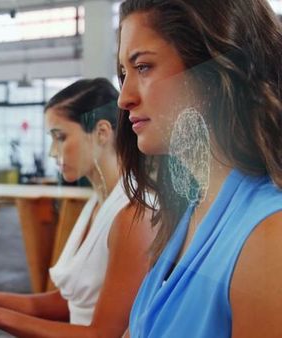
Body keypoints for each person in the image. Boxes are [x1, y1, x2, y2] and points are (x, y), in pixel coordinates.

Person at [0, 78, 156, 337]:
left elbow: (103, 335)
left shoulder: (133, 214)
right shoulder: (98, 202)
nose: (52, 151)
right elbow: (68, 303)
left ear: (102, 133)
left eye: (60, 137)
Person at [116, 1, 282, 337]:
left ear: (212, 71)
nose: (124, 97)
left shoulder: (270, 239)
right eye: (123, 74)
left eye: (144, 67)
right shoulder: (189, 209)